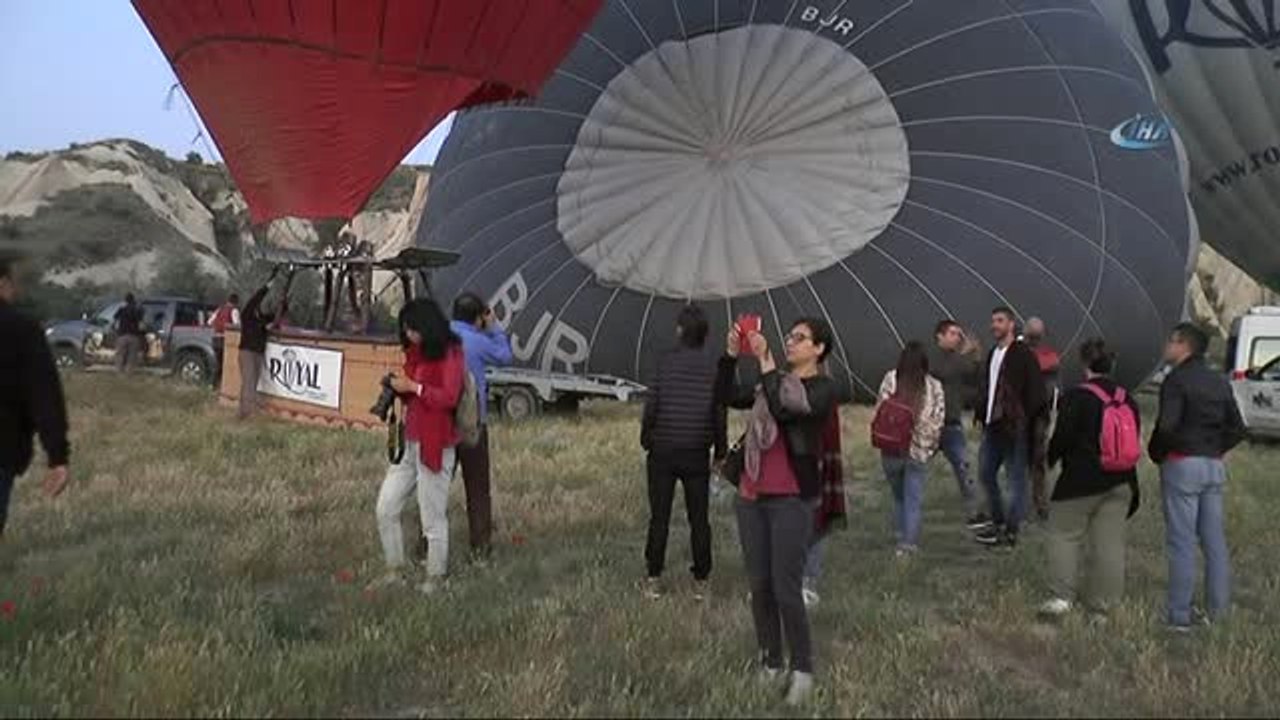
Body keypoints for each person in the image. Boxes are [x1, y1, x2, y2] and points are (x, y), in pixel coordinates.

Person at [720, 317, 838, 706]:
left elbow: (785, 411)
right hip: (753, 495)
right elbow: (725, 394)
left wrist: (767, 359)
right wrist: (731, 356)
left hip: (790, 498)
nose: (791, 342)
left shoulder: (820, 389)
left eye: (800, 338)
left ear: (819, 348)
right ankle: (771, 660)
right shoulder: (771, 381)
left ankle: (801, 668)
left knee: (787, 589)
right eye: (789, 337)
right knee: (760, 587)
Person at [1149, 323, 1246, 631]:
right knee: (1214, 542)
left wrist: (1158, 453)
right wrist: (1215, 448)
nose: (1165, 346)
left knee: (1182, 542)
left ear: (1183, 345)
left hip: (1183, 464)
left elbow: (1167, 426)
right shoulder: (1218, 380)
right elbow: (1238, 427)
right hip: (1212, 465)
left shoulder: (1176, 380)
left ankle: (1179, 616)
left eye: (1170, 341)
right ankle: (1219, 613)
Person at [1040, 339, 1140, 619]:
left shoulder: (1077, 397)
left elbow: (1063, 437)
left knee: (1063, 534)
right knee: (1109, 543)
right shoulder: (1126, 397)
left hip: (1081, 480)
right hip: (1122, 480)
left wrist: (1049, 459)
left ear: (1084, 364)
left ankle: (1062, 597)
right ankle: (1104, 607)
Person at [371, 298, 466, 595]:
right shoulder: (417, 353)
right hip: (410, 442)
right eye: (405, 330)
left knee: (432, 517)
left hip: (436, 443)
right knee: (385, 508)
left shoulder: (451, 352)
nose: (408, 335)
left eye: (412, 329)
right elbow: (414, 393)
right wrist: (399, 388)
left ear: (426, 326)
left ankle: (435, 579)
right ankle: (395, 570)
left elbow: (448, 397)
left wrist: (414, 388)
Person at [639, 305, 726, 599]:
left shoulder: (665, 362)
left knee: (659, 517)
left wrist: (646, 437)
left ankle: (653, 578)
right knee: (699, 518)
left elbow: (652, 404)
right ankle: (701, 581)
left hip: (663, 449)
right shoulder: (712, 366)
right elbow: (719, 411)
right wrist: (721, 450)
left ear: (679, 330)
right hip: (696, 452)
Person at [0, 256, 70, 536]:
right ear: (3, 283)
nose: (15, 292)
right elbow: (44, 395)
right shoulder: (21, 329)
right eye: (11, 285)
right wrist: (57, 456)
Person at [974, 307, 1048, 547]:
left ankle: (1011, 529)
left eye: (1000, 321)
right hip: (992, 425)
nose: (994, 325)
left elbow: (1036, 392)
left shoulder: (1022, 354)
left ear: (1011, 324)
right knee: (986, 473)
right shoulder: (993, 354)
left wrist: (1027, 421)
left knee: (1016, 479)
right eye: (993, 321)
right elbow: (988, 387)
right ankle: (998, 520)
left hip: (1014, 427)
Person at [450, 292, 514, 563]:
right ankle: (480, 551)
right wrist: (495, 327)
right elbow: (505, 357)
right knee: (477, 488)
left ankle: (427, 545)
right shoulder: (477, 341)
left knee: (434, 487)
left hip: (441, 421)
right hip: (473, 422)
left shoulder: (440, 336)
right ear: (478, 318)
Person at [875, 341, 945, 555]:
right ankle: (908, 544)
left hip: (891, 449)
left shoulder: (891, 379)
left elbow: (880, 410)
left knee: (899, 496)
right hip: (919, 451)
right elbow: (938, 420)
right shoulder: (933, 386)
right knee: (913, 498)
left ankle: (900, 533)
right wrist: (928, 446)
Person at [929, 320, 987, 528]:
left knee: (964, 469)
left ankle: (974, 513)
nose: (956, 337)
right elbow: (943, 371)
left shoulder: (958, 359)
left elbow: (976, 375)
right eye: (952, 333)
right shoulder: (932, 359)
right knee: (916, 467)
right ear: (940, 336)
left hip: (952, 423)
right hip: (931, 424)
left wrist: (977, 354)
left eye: (958, 334)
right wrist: (965, 354)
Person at [802, 404, 846, 609]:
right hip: (804, 468)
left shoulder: (822, 393)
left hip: (812, 468)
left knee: (814, 520)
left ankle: (808, 580)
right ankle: (805, 580)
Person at [1024, 317, 1061, 522]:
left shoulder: (1047, 357)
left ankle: (1038, 504)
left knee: (1034, 462)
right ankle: (1034, 504)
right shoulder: (1046, 356)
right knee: (1030, 462)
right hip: (1029, 416)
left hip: (1037, 416)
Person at [237, 272, 279, 421]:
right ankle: (246, 414)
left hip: (258, 353)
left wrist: (284, 304)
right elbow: (254, 301)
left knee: (252, 383)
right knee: (249, 382)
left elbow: (276, 315)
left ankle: (245, 412)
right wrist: (266, 287)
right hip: (247, 352)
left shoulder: (261, 319)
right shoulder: (246, 315)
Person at [208, 292, 241, 374]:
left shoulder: (220, 309)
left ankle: (212, 382)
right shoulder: (234, 310)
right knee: (225, 363)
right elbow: (237, 325)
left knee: (218, 361)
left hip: (215, 338)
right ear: (236, 302)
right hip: (226, 339)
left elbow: (209, 322)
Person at [113, 293, 146, 373]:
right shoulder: (137, 310)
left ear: (125, 300)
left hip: (122, 336)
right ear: (133, 300)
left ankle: (119, 374)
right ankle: (128, 374)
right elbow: (141, 321)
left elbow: (115, 319)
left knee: (120, 356)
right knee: (131, 358)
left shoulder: (122, 309)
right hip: (134, 337)